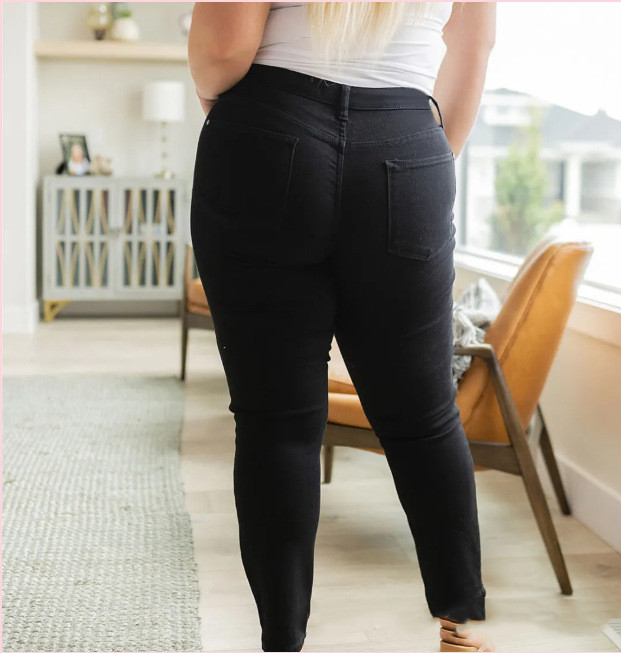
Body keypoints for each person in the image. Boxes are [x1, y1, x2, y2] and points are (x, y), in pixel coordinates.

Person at [188, 3, 497, 652]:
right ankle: (461, 628)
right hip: (407, 143)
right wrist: (419, 163)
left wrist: (233, 113)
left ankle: (282, 642)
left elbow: (222, 49)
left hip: (267, 131)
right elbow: (472, 48)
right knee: (423, 417)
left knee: (276, 421)